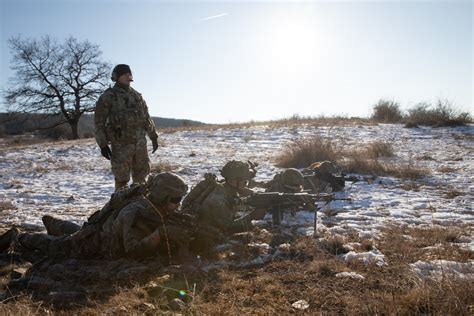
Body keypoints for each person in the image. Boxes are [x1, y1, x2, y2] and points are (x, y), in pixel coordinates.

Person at [0, 172, 189, 261]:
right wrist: (159, 235)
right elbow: (132, 251)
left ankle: (53, 223)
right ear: (162, 196)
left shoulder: (154, 206)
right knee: (58, 246)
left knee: (77, 231)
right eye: (175, 199)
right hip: (93, 245)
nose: (178, 203)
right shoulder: (134, 213)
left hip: (99, 231)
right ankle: (19, 237)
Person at [94, 64, 159, 191]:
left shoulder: (137, 96)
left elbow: (146, 118)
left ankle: (140, 206)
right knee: (122, 180)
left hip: (140, 145)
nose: (128, 75)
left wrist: (153, 136)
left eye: (129, 73)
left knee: (141, 179)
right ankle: (119, 206)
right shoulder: (108, 96)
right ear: (116, 76)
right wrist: (102, 144)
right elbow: (99, 122)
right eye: (124, 73)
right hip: (121, 146)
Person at [183, 160, 265, 234]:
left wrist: (260, 197)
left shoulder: (225, 187)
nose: (245, 183)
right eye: (244, 181)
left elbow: (240, 198)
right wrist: (252, 216)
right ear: (231, 181)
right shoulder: (219, 199)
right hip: (205, 235)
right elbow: (228, 227)